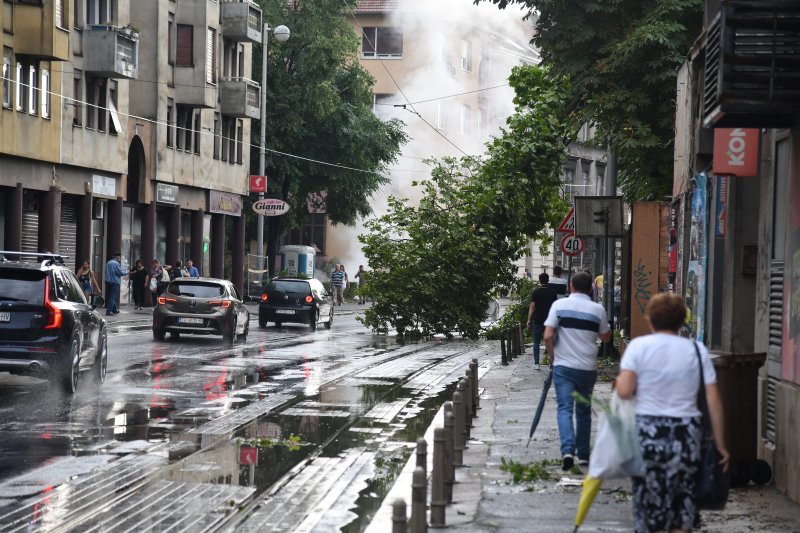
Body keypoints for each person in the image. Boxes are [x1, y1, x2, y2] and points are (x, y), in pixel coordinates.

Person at [616, 293, 729, 533]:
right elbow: (713, 399)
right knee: (682, 501)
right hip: (686, 436)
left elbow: (624, 391)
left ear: (650, 321)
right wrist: (720, 445)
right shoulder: (697, 351)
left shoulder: (638, 347)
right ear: (681, 322)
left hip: (648, 436)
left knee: (649, 501)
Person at [543, 271, 612, 470]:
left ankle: (567, 451)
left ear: (570, 286)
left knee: (564, 408)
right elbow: (606, 337)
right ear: (591, 288)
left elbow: (548, 335)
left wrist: (552, 356)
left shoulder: (559, 306)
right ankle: (583, 454)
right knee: (583, 410)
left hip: (563, 367)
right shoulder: (597, 309)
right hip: (587, 368)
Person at [526, 272, 557, 370]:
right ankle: (552, 362)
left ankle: (536, 363)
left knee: (536, 342)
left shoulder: (536, 292)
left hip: (538, 320)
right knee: (551, 341)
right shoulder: (552, 292)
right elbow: (555, 307)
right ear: (548, 280)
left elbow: (532, 306)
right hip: (550, 321)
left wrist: (528, 320)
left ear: (539, 281)